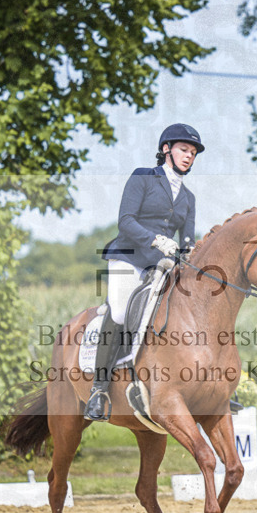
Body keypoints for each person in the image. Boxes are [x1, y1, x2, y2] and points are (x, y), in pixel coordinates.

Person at [85, 123, 204, 421]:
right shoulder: (143, 178)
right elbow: (125, 221)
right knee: (122, 312)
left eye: (192, 153)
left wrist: (188, 253)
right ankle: (98, 390)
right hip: (128, 257)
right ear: (166, 150)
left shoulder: (189, 197)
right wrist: (156, 239)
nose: (189, 156)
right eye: (183, 150)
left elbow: (187, 239)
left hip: (161, 265)